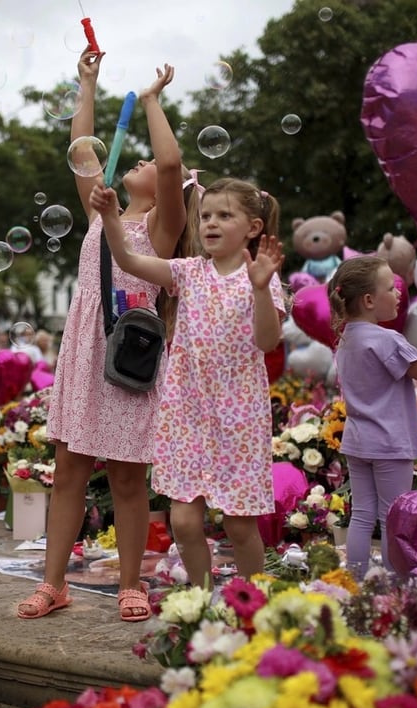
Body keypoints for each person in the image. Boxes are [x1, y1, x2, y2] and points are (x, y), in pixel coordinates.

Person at [16, 50, 198, 621]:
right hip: (83, 351)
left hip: (128, 358)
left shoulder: (162, 229)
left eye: (145, 161)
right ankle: (54, 583)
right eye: (136, 157)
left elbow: (170, 167)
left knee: (126, 477)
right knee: (69, 468)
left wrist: (150, 102)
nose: (140, 160)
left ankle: (130, 584)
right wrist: (86, 84)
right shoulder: (102, 214)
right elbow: (83, 151)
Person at [92, 177, 286, 586]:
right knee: (182, 521)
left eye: (224, 215)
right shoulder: (189, 272)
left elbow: (267, 340)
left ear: (252, 228)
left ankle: (252, 602)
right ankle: (199, 599)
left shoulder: (259, 278)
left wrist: (263, 289)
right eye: (206, 215)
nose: (210, 223)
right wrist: (110, 216)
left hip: (239, 421)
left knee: (238, 527)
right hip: (187, 414)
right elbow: (127, 260)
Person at [329, 254, 417, 579]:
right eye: (391, 288)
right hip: (390, 443)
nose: (399, 293)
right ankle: (394, 585)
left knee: (362, 514)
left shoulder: (346, 339)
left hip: (358, 441)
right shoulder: (387, 340)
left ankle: (357, 580)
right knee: (394, 517)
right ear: (369, 300)